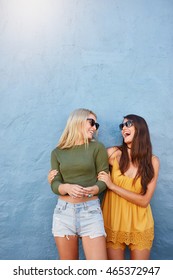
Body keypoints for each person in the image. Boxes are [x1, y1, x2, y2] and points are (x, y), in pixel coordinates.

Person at [49, 108, 109, 260]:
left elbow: (103, 179)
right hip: (64, 213)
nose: (94, 128)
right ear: (77, 121)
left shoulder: (97, 148)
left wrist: (93, 189)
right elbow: (55, 183)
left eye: (97, 125)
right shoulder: (57, 152)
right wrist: (66, 187)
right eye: (92, 122)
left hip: (90, 212)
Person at [98, 114, 160, 260]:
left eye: (128, 124)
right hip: (113, 222)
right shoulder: (113, 153)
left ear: (141, 128)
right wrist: (59, 176)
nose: (123, 128)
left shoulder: (153, 161)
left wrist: (112, 186)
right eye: (122, 126)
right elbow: (86, 162)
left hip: (140, 225)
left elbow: (145, 201)